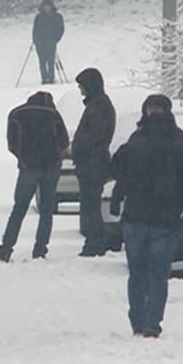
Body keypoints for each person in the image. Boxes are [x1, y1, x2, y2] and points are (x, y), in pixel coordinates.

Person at [110, 94, 183, 338]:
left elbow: (122, 172)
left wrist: (117, 199)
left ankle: (138, 319)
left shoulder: (136, 140)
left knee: (137, 272)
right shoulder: (180, 140)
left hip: (136, 216)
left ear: (146, 112)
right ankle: (153, 321)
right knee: (159, 274)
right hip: (166, 218)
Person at [0, 91, 70, 262]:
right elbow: (64, 141)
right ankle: (40, 250)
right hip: (50, 167)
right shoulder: (54, 115)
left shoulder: (17, 114)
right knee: (46, 211)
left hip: (27, 167)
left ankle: (6, 249)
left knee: (19, 209)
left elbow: (12, 142)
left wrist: (23, 157)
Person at [70, 67, 116, 257]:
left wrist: (80, 150)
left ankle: (95, 242)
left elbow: (94, 136)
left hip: (93, 163)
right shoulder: (97, 104)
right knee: (90, 204)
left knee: (91, 205)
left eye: (82, 86)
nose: (80, 90)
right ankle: (95, 241)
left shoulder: (99, 106)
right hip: (91, 162)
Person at [32, 0, 65, 84]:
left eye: (48, 6)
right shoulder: (39, 17)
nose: (46, 8)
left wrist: (56, 39)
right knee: (42, 61)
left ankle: (51, 78)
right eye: (45, 6)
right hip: (40, 43)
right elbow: (35, 29)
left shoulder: (57, 17)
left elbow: (61, 29)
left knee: (50, 61)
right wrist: (35, 40)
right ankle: (44, 78)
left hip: (51, 42)